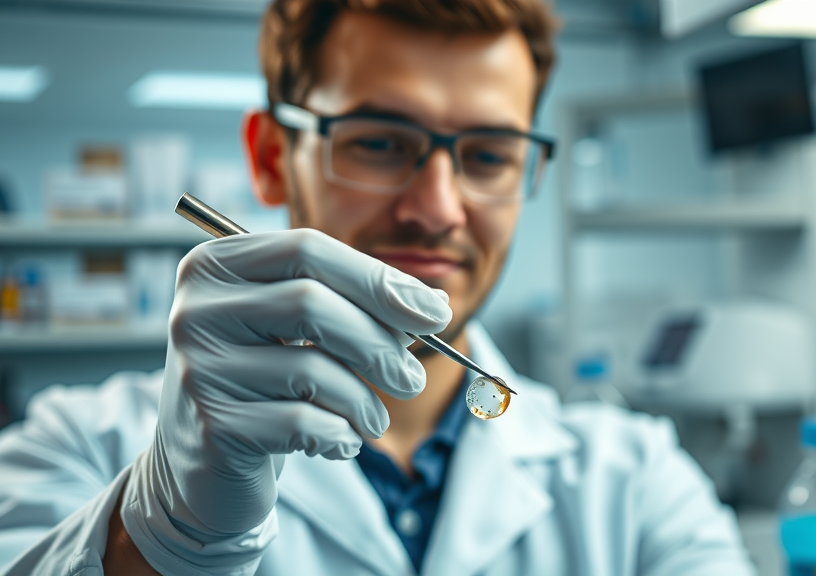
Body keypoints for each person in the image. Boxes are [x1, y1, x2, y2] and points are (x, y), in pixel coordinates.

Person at [0, 1, 755, 574]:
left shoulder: (634, 479)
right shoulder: (74, 443)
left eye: (489, 155)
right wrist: (163, 531)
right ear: (271, 156)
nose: (436, 209)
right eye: (379, 143)